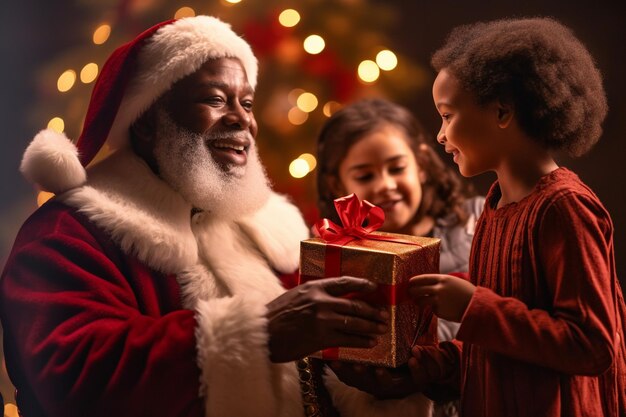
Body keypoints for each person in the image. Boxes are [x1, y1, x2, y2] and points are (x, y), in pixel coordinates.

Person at [0, 16, 431, 417]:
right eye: (215, 99)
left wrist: (369, 381)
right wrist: (255, 333)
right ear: (147, 122)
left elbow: (313, 372)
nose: (242, 119)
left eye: (246, 102)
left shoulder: (271, 231)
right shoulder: (69, 233)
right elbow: (69, 379)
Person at [408, 17, 626, 417]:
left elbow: (592, 345)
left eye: (447, 115)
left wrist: (475, 307)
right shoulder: (495, 207)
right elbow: (507, 346)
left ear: (503, 112)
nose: (440, 135)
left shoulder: (564, 208)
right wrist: (429, 367)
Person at [315, 98, 483, 416]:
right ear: (337, 183)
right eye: (365, 177)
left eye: (397, 168)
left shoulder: (478, 222)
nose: (386, 185)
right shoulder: (337, 256)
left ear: (420, 164)